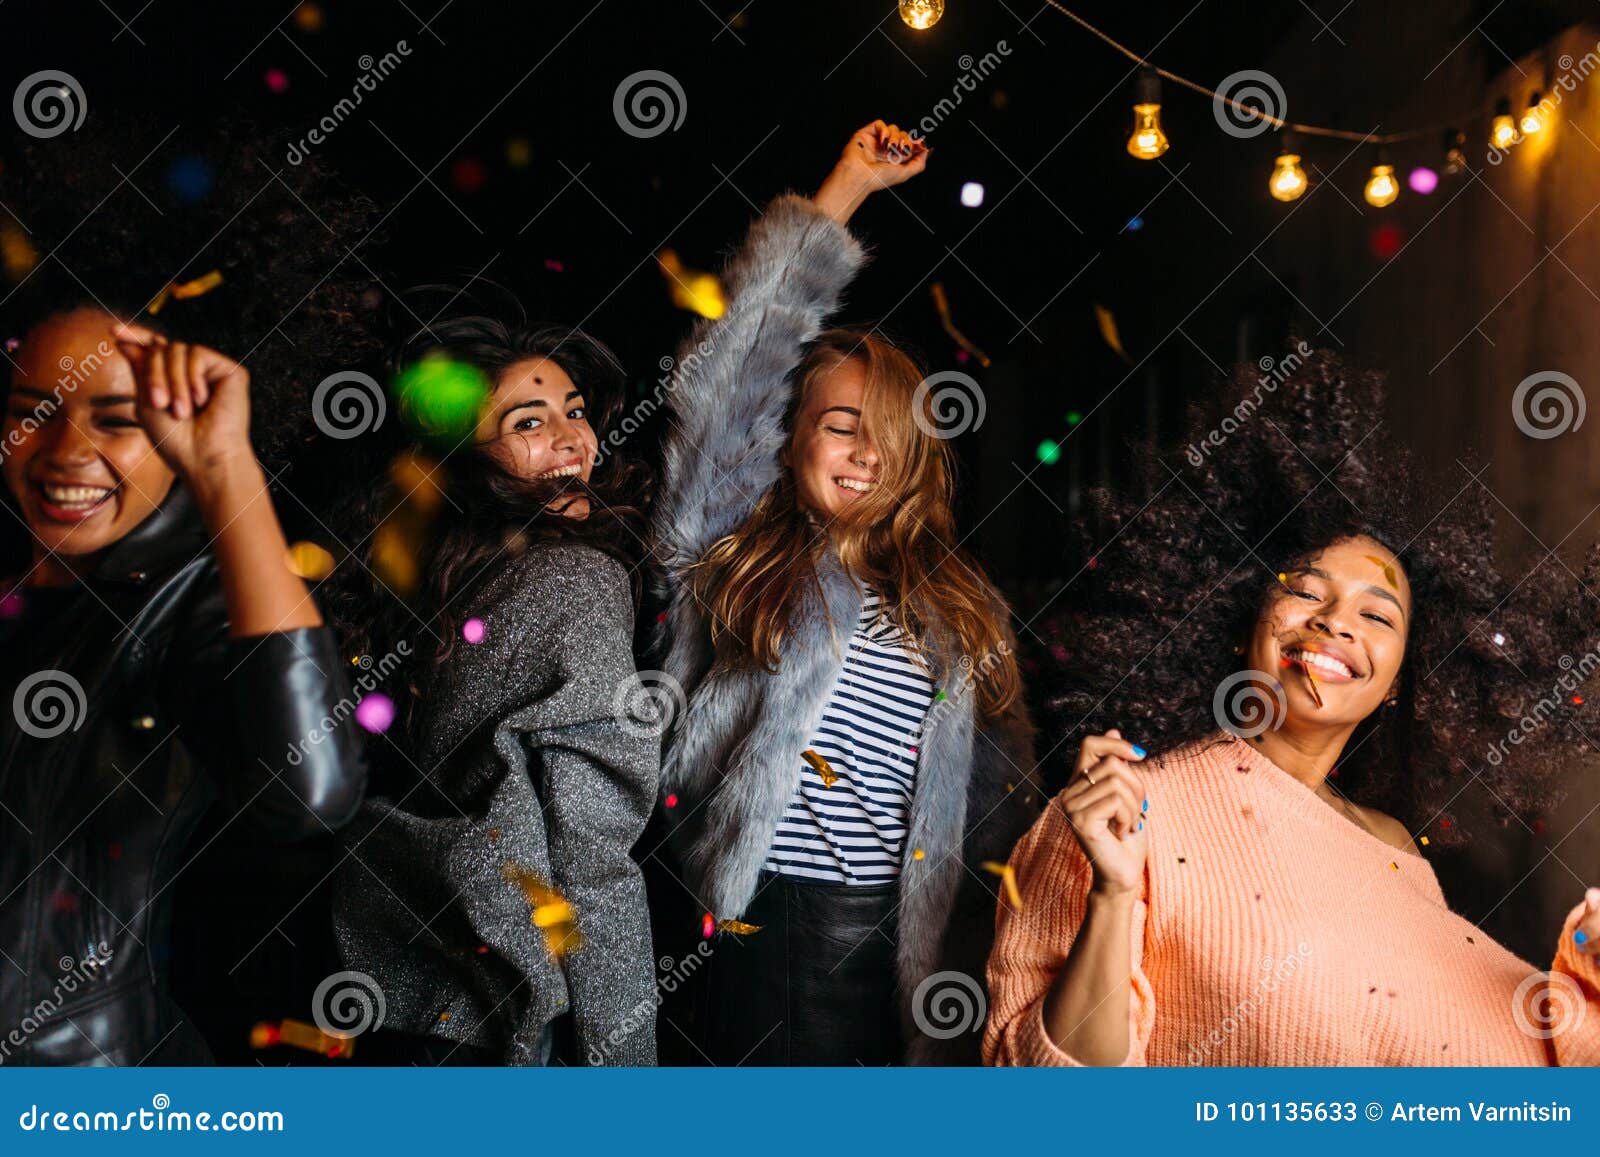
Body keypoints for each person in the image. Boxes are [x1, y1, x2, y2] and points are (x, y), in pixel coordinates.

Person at [985, 350, 1600, 1066]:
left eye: (1380, 616)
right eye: (1306, 590)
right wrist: (1115, 894)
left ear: (1404, 678)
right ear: (1244, 612)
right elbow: (1047, 1099)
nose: (1337, 622)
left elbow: (1465, 1046)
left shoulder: (1399, 852)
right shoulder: (1122, 810)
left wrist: (1585, 978)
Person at [653, 121, 1041, 1066]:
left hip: (905, 945)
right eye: (838, 425)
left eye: (888, 432)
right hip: (755, 927)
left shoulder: (958, 609)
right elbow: (730, 378)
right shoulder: (731, 549)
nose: (865, 451)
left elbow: (1000, 799)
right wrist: (847, 187)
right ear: (789, 443)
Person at [0, 121, 372, 1065]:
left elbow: (313, 791)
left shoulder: (188, 611)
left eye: (117, 420)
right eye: (29, 410)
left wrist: (227, 472)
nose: (66, 450)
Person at [330, 307, 658, 1066]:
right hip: (512, 1016)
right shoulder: (576, 580)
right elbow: (593, 857)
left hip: (398, 993)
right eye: (529, 422)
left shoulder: (422, 589)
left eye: (575, 413)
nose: (574, 440)